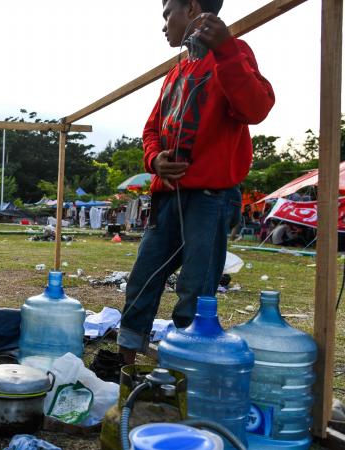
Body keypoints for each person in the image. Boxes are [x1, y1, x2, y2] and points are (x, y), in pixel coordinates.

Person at [115, 0, 274, 365]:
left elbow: (257, 108)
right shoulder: (178, 70)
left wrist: (226, 49)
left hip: (211, 196)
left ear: (191, 8)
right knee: (143, 278)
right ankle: (124, 363)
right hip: (169, 196)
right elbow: (152, 128)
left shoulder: (233, 53)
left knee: (195, 287)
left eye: (167, 13)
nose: (163, 24)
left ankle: (182, 368)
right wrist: (154, 159)